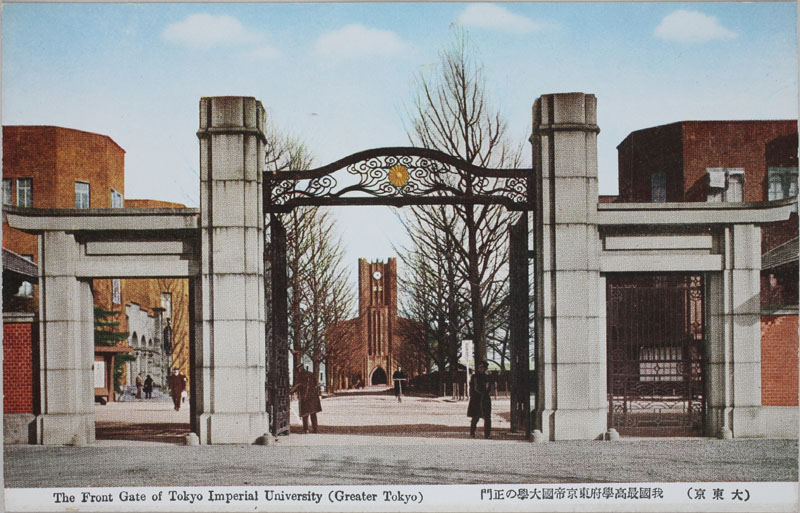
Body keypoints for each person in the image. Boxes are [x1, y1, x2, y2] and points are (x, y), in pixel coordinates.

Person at [289, 365, 322, 433]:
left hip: (305, 397)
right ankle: (315, 429)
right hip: (313, 397)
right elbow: (316, 384)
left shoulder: (300, 376)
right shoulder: (311, 374)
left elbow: (297, 386)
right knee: (313, 413)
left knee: (305, 414)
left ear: (299, 369)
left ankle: (306, 429)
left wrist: (290, 391)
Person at [467, 361, 492, 439]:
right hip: (476, 399)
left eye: (483, 367)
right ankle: (472, 432)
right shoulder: (475, 377)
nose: (482, 369)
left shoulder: (487, 377)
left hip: (485, 398)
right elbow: (475, 388)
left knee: (487, 417)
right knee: (475, 417)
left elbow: (489, 387)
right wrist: (482, 393)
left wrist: (486, 393)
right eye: (480, 367)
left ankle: (487, 434)